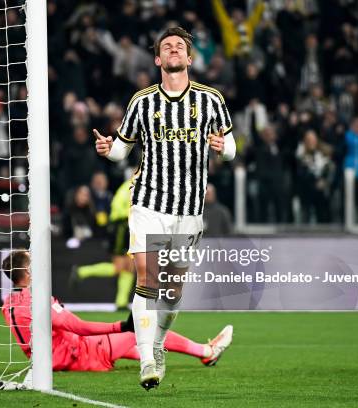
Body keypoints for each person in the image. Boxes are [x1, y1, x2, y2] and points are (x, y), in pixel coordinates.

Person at [93, 27, 236, 389]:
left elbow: (232, 147)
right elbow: (122, 151)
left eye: (179, 47)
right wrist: (108, 150)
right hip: (149, 201)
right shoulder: (141, 102)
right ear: (158, 59)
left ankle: (157, 345)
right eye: (166, 47)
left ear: (189, 58)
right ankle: (146, 360)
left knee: (171, 294)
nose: (173, 50)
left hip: (188, 209)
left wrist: (223, 147)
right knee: (147, 277)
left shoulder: (211, 99)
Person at [1, 250, 232, 372]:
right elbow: (76, 326)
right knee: (141, 329)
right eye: (34, 261)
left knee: (133, 344)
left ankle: (154, 356)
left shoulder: (9, 303)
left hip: (54, 358)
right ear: (28, 272)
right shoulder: (36, 299)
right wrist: (120, 325)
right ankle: (206, 352)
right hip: (77, 355)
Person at [70, 180, 136, 310]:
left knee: (129, 266)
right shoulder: (128, 186)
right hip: (121, 227)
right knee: (120, 266)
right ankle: (81, 272)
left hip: (130, 227)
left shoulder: (138, 185)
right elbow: (117, 207)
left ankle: (121, 302)